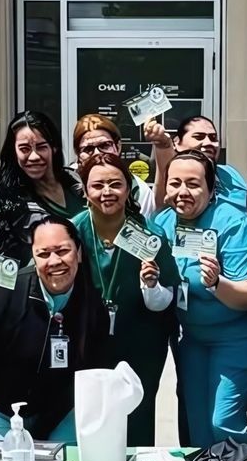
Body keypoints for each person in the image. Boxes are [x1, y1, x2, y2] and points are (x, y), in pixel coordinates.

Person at [0, 216, 109, 443]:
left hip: (61, 416)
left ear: (78, 253)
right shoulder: (7, 291)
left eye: (62, 250)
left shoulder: (93, 302)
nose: (54, 261)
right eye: (43, 254)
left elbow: (96, 370)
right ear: (33, 257)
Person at [149, 149, 247, 446]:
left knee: (223, 422)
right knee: (197, 423)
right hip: (193, 339)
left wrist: (216, 283)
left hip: (235, 338)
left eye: (193, 184)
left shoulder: (233, 223)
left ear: (212, 190)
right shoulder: (163, 223)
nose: (181, 192)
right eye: (174, 183)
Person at [73, 149, 179, 444]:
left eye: (116, 184)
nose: (107, 192)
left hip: (141, 343)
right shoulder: (72, 231)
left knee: (138, 415)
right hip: (87, 340)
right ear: (85, 190)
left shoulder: (148, 233)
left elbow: (166, 300)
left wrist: (151, 286)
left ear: (129, 188)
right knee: (94, 416)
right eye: (97, 185)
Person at [0, 110, 81, 261]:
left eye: (41, 147)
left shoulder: (78, 183)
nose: (34, 156)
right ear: (13, 152)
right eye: (24, 149)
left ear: (54, 148)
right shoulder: (8, 201)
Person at [144, 112, 246, 209]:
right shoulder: (175, 176)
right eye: (199, 137)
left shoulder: (230, 173)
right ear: (177, 143)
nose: (208, 143)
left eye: (213, 138)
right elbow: (163, 201)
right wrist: (163, 146)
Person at [74, 113, 154, 213]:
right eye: (88, 149)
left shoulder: (138, 189)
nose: (97, 153)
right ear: (77, 153)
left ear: (118, 147)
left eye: (104, 145)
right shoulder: (66, 183)